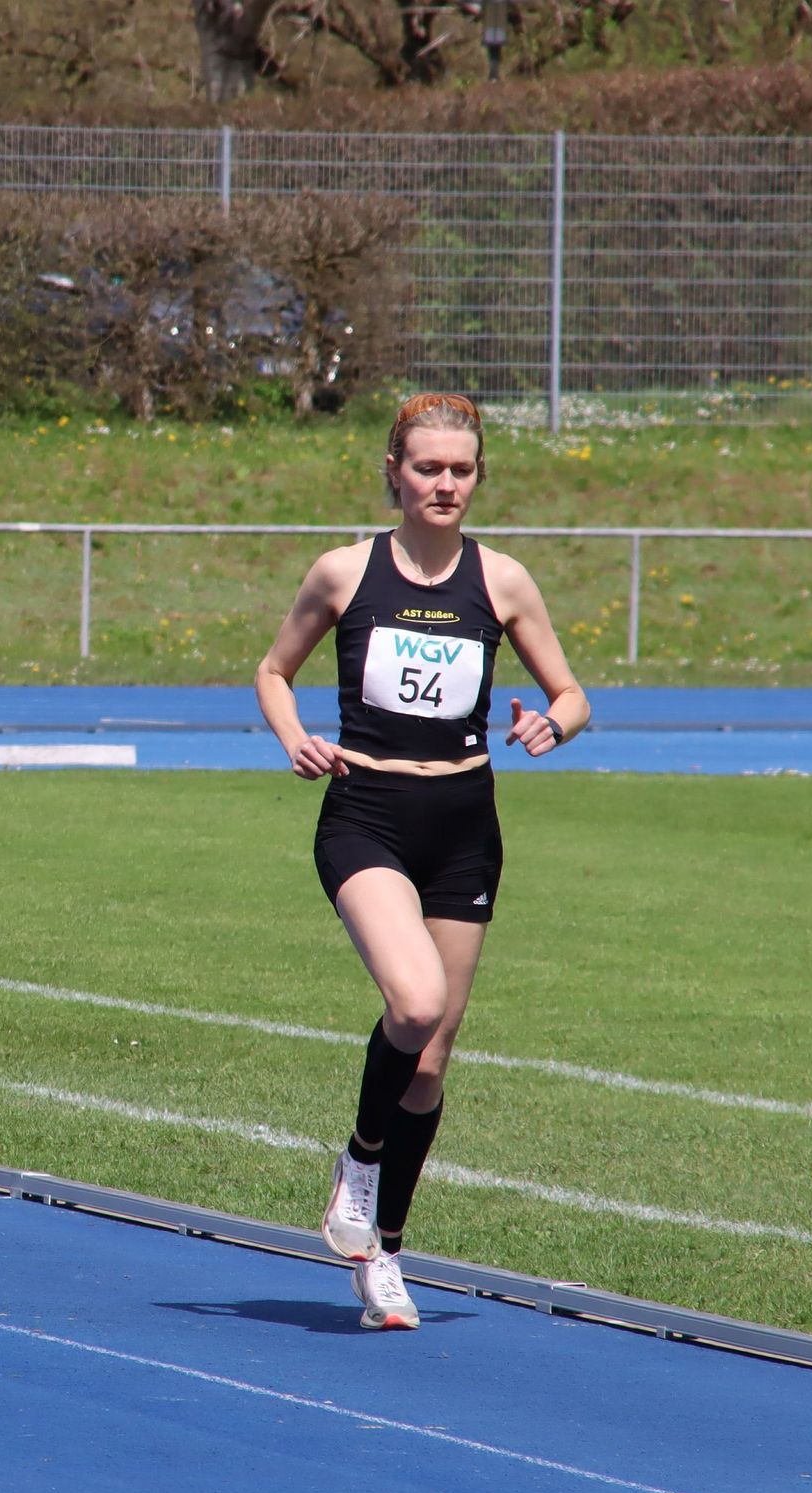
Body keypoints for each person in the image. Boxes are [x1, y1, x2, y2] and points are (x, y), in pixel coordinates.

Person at [252, 392, 590, 1331]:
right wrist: (293, 735)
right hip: (366, 814)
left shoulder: (504, 581)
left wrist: (551, 724)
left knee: (432, 1061)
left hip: (465, 826)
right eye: (428, 467)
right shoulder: (344, 572)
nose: (445, 484)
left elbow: (572, 694)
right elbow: (273, 671)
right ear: (394, 473)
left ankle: (385, 1256)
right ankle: (359, 1162)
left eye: (461, 470)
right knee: (415, 1003)